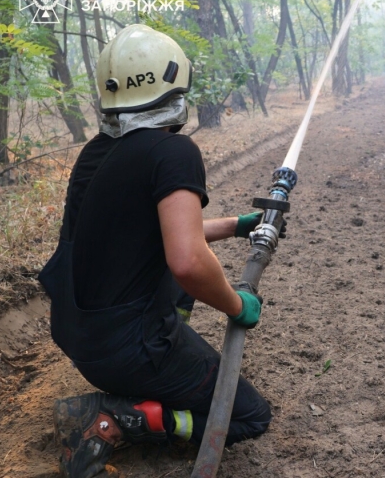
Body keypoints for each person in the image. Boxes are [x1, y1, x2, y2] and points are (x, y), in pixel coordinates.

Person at [39, 24, 272, 478]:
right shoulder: (173, 150)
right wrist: (236, 305)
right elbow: (185, 261)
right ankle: (126, 419)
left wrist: (235, 226)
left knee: (166, 297)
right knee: (250, 415)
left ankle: (158, 370)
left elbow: (145, 236)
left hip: (81, 336)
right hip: (128, 352)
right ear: (175, 88)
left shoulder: (96, 153)